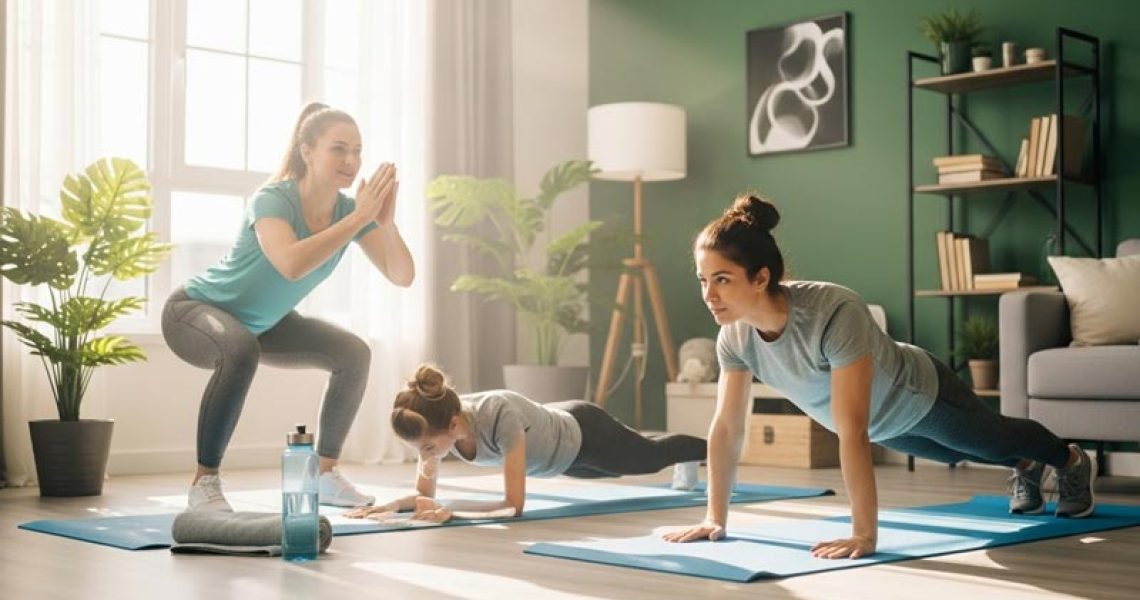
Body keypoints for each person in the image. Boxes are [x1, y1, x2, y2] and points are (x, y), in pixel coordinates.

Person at [663, 194, 1096, 559]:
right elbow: (727, 427)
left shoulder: (833, 311)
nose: (708, 295)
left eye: (721, 279)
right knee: (955, 455)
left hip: (920, 394)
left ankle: (1070, 461)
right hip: (886, 423)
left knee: (989, 438)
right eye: (703, 279)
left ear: (760, 278)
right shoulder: (734, 338)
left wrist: (864, 534)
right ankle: (1026, 466)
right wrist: (713, 518)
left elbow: (851, 430)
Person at [162, 102, 415, 511]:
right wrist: (357, 220)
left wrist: (384, 223)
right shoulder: (273, 199)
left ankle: (326, 474)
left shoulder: (351, 212)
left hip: (265, 324)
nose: (350, 161)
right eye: (338, 149)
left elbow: (402, 275)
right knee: (239, 348)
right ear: (307, 151)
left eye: (357, 151)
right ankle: (203, 484)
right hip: (194, 311)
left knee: (353, 353)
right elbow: (291, 264)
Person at [345, 365, 707, 521]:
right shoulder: (441, 427)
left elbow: (513, 505)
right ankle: (686, 455)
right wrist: (390, 507)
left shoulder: (498, 414)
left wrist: (450, 509)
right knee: (615, 471)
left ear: (454, 425)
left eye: (427, 448)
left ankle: (712, 449)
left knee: (651, 458)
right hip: (561, 458)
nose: (426, 457)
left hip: (584, 432)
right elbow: (425, 495)